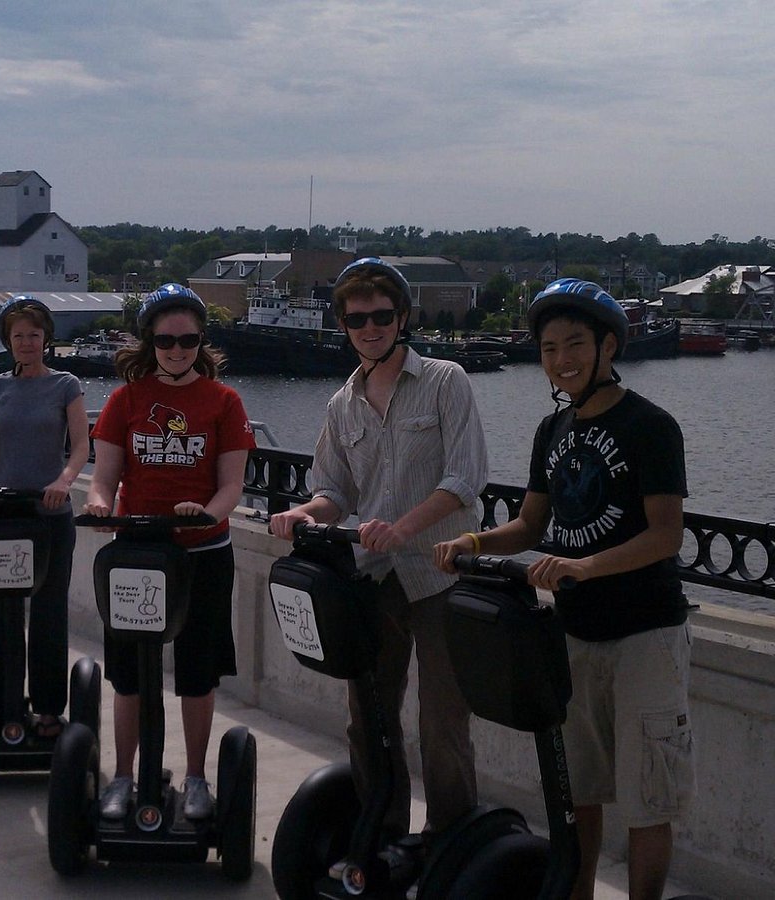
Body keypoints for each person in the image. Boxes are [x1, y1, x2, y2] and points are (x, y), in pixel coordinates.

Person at [435, 278, 694, 900]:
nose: (562, 359)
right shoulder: (551, 431)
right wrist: (472, 543)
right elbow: (530, 525)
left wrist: (585, 566)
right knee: (578, 791)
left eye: (575, 343)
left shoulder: (651, 426)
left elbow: (665, 536)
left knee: (646, 796)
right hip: (574, 633)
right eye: (549, 348)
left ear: (609, 347)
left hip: (646, 635)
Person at [269, 257, 489, 859]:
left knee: (443, 723)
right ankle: (383, 834)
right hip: (374, 578)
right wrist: (302, 515)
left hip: (440, 574)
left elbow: (465, 478)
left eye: (381, 316)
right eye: (357, 318)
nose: (370, 328)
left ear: (402, 318)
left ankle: (448, 842)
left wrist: (404, 526)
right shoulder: (342, 404)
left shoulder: (447, 381)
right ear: (342, 324)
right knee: (368, 717)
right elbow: (334, 491)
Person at [84, 282, 255, 822]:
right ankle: (123, 776)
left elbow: (232, 486)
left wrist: (206, 510)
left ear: (201, 341)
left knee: (197, 671)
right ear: (149, 341)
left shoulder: (224, 401)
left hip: (201, 552)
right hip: (137, 551)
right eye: (166, 340)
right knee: (130, 673)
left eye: (188, 339)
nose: (177, 349)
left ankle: (199, 775)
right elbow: (103, 478)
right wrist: (97, 507)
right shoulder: (125, 400)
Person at [0, 295, 89, 740]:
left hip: (48, 513)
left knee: (48, 615)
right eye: (18, 336)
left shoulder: (66, 385)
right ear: (8, 341)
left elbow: (81, 448)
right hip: (2, 511)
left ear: (46, 338)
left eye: (33, 335)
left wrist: (64, 482)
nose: (26, 343)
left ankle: (48, 709)